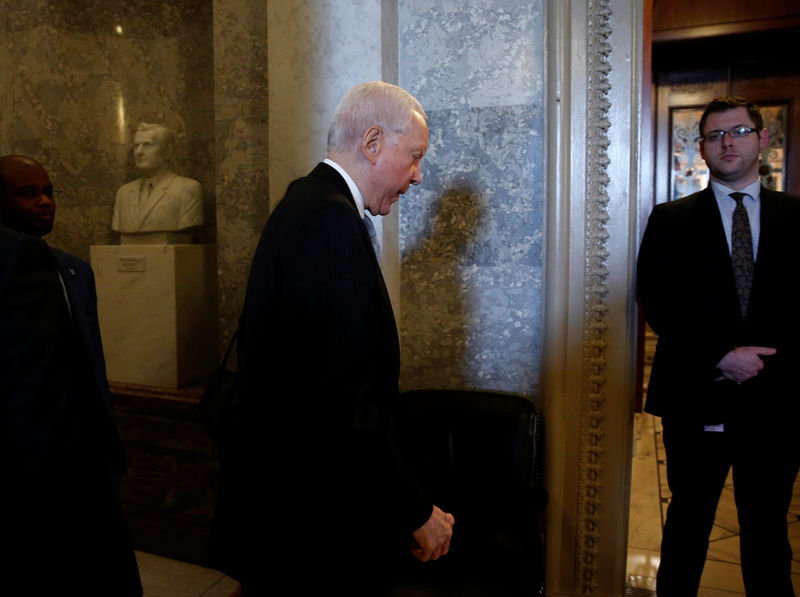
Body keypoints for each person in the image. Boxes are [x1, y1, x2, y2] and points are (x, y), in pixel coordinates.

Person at [209, 81, 455, 595]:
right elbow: (340, 397)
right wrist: (414, 509)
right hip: (311, 517)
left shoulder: (312, 202)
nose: (416, 176)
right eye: (412, 157)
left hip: (298, 501)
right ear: (371, 143)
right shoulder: (327, 220)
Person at [637, 97, 800, 596]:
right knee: (687, 524)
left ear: (762, 139)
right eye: (715, 135)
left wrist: (763, 361)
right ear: (702, 149)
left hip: (778, 400)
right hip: (695, 395)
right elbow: (658, 302)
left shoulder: (798, 217)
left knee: (768, 532)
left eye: (739, 131)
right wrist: (721, 356)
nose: (728, 142)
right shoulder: (670, 219)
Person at [1, 155, 142, 596]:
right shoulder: (16, 260)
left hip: (88, 449)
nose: (44, 202)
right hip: (40, 460)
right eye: (28, 193)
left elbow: (87, 363)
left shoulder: (74, 269)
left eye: (48, 191)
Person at [112, 122, 204, 234]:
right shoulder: (123, 193)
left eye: (147, 145)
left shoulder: (187, 189)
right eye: (136, 146)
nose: (139, 152)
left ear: (168, 151)